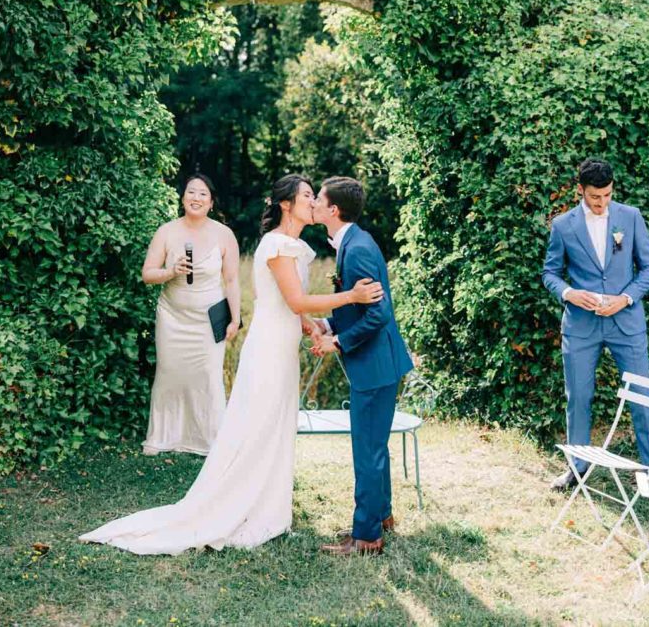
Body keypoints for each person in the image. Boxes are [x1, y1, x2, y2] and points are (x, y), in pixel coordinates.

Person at [80, 174, 384, 555]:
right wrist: (351, 296)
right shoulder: (276, 245)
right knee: (257, 428)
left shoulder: (293, 246)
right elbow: (296, 300)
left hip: (284, 346)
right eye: (307, 195)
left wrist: (310, 324)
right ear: (286, 204)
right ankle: (242, 507)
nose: (312, 202)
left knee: (275, 428)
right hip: (269, 351)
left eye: (314, 196)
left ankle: (270, 508)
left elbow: (289, 305)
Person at [541, 159, 649, 490]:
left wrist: (625, 299)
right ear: (581, 190)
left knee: (642, 398)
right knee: (578, 398)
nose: (602, 203)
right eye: (595, 197)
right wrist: (569, 293)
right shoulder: (563, 226)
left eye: (607, 195)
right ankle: (577, 469)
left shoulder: (631, 217)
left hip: (626, 323)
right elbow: (550, 273)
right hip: (581, 326)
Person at [310, 176, 414, 557]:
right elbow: (358, 308)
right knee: (374, 446)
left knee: (367, 451)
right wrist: (328, 325)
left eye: (318, 200)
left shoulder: (356, 250)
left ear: (333, 210)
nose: (314, 204)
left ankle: (367, 536)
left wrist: (336, 341)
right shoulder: (353, 243)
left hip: (374, 366)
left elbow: (379, 314)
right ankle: (381, 516)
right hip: (377, 364)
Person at [139, 174, 240, 457]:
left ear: (211, 202)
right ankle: (163, 437)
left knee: (207, 376)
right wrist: (171, 272)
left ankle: (208, 440)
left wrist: (235, 319)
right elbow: (147, 274)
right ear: (183, 198)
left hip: (208, 320)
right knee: (169, 374)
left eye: (203, 194)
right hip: (172, 316)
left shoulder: (224, 235)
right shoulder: (166, 232)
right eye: (191, 192)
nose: (196, 198)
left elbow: (231, 280)